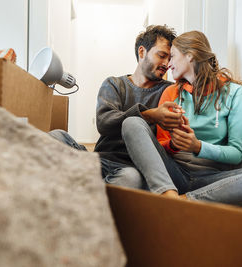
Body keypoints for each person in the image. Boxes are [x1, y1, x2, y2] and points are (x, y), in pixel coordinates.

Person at [121, 30, 242, 207]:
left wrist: (198, 146)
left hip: (213, 178)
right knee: (132, 123)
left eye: (172, 56)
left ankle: (182, 202)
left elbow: (237, 153)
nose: (168, 64)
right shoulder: (170, 93)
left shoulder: (235, 94)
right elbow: (159, 147)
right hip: (172, 174)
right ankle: (170, 196)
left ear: (190, 55)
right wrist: (174, 145)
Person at [49, 25, 184, 196]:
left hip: (130, 169)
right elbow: (104, 122)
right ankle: (84, 188)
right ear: (142, 52)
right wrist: (151, 115)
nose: (166, 64)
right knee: (56, 136)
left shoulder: (170, 92)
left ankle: (80, 193)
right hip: (97, 160)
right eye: (162, 55)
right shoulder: (114, 84)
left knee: (130, 178)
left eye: (169, 59)